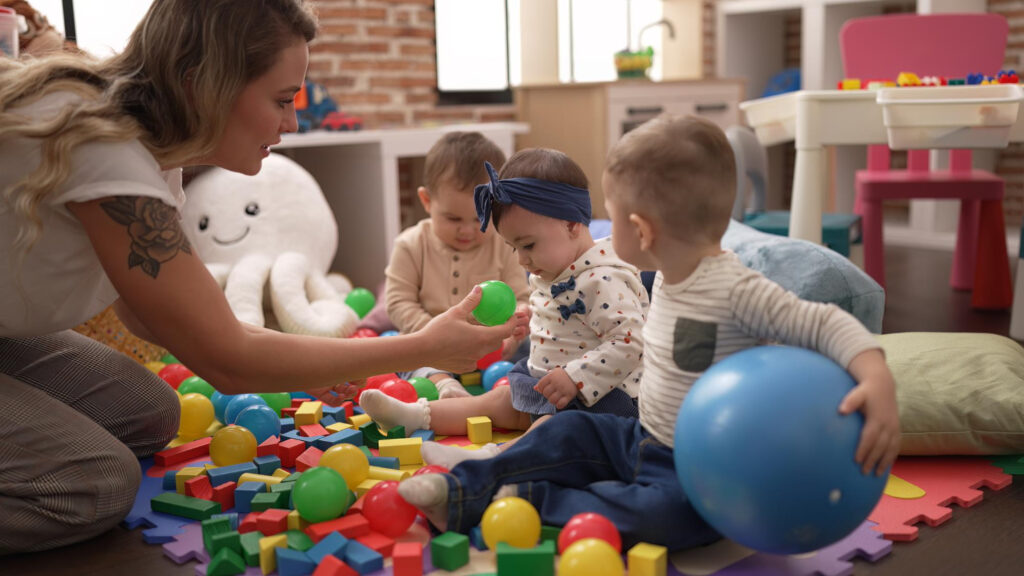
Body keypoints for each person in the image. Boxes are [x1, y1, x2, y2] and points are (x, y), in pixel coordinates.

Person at [0, 0, 520, 554]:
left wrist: (305, 361)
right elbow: (228, 358)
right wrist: (418, 347)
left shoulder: (158, 155)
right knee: (97, 485)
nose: (292, 122)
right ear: (203, 85)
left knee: (151, 414)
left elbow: (162, 314)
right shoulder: (105, 149)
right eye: (280, 100)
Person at [396, 115, 902, 551]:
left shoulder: (734, 288)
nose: (599, 231)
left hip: (697, 465)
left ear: (641, 230)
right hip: (639, 435)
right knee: (565, 430)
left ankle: (527, 504)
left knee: (670, 518)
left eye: (609, 220)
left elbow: (823, 320)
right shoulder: (664, 276)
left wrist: (875, 376)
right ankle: (464, 487)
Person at [360, 148, 648, 468]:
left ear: (571, 225)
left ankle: (488, 460)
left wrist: (576, 378)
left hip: (600, 399)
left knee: (554, 429)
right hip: (547, 381)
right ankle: (414, 415)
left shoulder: (604, 278)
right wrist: (528, 319)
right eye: (514, 247)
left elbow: (630, 342)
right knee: (496, 400)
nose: (522, 260)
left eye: (528, 245)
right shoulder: (557, 266)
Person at [381, 131, 531, 399]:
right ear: (427, 201)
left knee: (536, 347)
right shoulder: (411, 244)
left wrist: (513, 332)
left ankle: (518, 390)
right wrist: (432, 336)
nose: (467, 230)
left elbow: (521, 297)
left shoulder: (504, 244)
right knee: (403, 354)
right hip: (431, 344)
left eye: (479, 219)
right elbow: (398, 303)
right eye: (453, 219)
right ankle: (445, 386)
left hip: (491, 346)